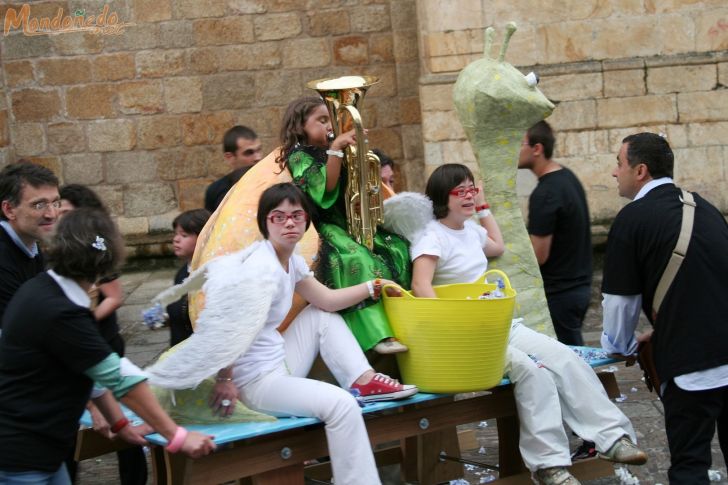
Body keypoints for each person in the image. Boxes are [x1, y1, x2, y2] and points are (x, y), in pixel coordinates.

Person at [147, 183, 418, 485]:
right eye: (279, 217)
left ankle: (362, 379)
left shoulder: (291, 260)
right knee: (341, 405)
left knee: (319, 315)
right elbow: (228, 325)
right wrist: (225, 379)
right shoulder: (260, 269)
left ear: (306, 222)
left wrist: (373, 286)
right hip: (255, 381)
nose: (289, 223)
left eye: (296, 215)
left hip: (279, 361)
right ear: (266, 223)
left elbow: (326, 299)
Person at [410, 164, 646, 485]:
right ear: (442, 196)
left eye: (470, 188)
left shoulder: (472, 231)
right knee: (533, 372)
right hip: (467, 338)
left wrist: (483, 207)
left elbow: (497, 246)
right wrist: (454, 325)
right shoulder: (431, 235)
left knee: (564, 357)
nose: (468, 195)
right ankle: (549, 466)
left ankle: (613, 439)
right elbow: (421, 286)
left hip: (501, 324)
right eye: (460, 191)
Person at [0, 208, 215, 484]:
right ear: (108, 261)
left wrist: (120, 424)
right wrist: (177, 436)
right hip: (21, 458)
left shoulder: (46, 289)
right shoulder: (60, 311)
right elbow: (119, 377)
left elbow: (93, 371)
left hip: (39, 453)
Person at [600, 133, 728, 484]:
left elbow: (619, 303)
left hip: (691, 365)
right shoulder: (707, 207)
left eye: (619, 163)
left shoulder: (632, 220)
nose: (614, 172)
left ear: (640, 170)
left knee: (690, 466)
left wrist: (619, 346)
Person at [276, 96, 411, 354]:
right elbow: (323, 189)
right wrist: (337, 148)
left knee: (398, 248)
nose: (329, 126)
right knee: (356, 257)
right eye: (322, 120)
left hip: (350, 220)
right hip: (326, 225)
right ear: (301, 126)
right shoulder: (299, 155)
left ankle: (403, 322)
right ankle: (377, 335)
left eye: (331, 120)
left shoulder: (332, 150)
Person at [58, 184, 148, 485]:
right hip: (77, 343)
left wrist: (82, 320)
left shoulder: (96, 249)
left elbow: (113, 296)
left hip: (102, 340)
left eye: (66, 212)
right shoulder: (63, 253)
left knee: (121, 411)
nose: (60, 217)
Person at [519, 121, 591, 347]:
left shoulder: (545, 194)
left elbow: (539, 255)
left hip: (561, 294)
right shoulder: (567, 176)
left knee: (569, 362)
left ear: (537, 149)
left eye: (519, 144)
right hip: (580, 286)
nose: (512, 151)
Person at [0, 161, 59, 324]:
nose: (52, 214)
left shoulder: (30, 241)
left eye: (55, 203)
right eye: (39, 205)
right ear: (9, 210)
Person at [167, 209, 211, 347]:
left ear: (202, 237)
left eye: (184, 235)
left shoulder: (209, 276)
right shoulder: (182, 272)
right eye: (176, 234)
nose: (176, 239)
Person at [204, 125, 263, 212]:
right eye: (249, 153)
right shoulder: (216, 191)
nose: (258, 157)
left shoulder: (274, 182)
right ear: (230, 157)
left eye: (259, 150)